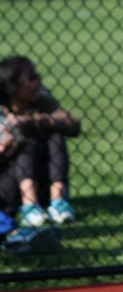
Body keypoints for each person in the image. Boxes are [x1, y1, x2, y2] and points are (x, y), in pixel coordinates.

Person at [0, 56, 81, 228]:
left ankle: (58, 202)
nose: (38, 81)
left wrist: (32, 121)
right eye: (31, 78)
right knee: (24, 142)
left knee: (55, 135)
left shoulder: (41, 100)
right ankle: (30, 205)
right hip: (6, 185)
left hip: (42, 181)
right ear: (13, 86)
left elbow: (73, 125)